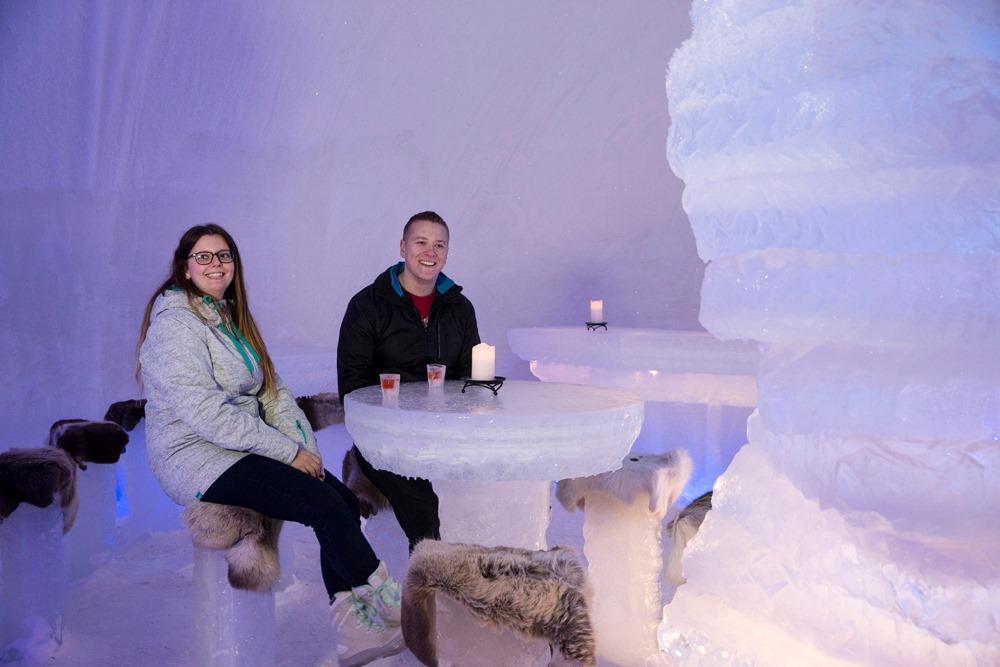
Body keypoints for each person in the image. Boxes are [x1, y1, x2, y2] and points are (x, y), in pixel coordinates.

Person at [136, 223, 405, 667]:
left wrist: (304, 448)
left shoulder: (230, 319)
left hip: (238, 447)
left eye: (223, 256)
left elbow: (274, 394)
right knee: (321, 504)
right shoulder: (174, 328)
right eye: (203, 257)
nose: (215, 264)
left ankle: (352, 630)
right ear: (184, 269)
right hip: (194, 456)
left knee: (338, 497)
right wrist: (285, 453)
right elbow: (206, 415)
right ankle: (387, 604)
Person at [337, 211, 481, 551]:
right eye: (421, 243)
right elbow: (353, 388)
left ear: (447, 253)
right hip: (385, 435)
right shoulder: (367, 306)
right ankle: (430, 584)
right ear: (403, 247)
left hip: (444, 430)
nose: (429, 253)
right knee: (422, 507)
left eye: (438, 245)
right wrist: (392, 425)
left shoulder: (460, 308)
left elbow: (469, 380)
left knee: (494, 480)